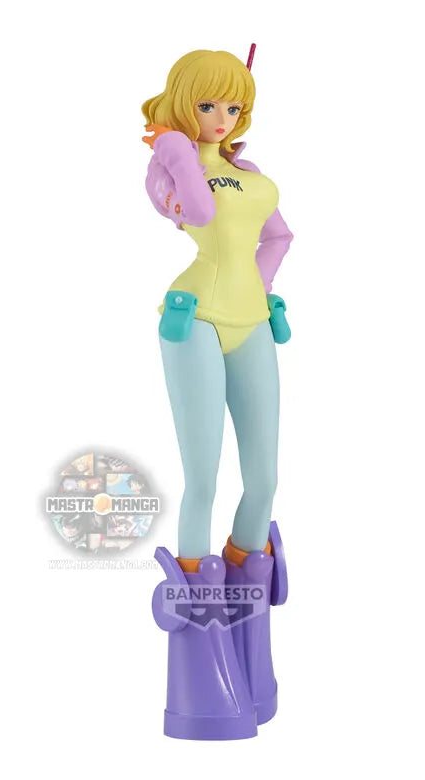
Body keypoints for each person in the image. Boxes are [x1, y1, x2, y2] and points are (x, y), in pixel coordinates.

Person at [142, 48, 291, 740]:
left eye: (233, 106)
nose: (222, 117)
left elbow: (279, 234)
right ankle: (202, 664)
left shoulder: (249, 174)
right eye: (208, 105)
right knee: (203, 477)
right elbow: (198, 210)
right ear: (184, 104)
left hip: (252, 319)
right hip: (194, 316)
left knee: (263, 480)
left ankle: (248, 654)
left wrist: (263, 288)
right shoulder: (173, 166)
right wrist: (175, 145)